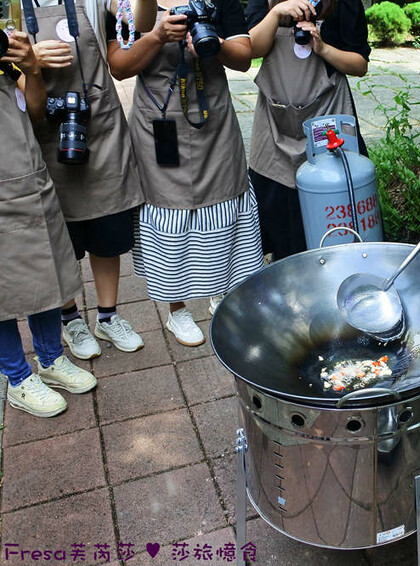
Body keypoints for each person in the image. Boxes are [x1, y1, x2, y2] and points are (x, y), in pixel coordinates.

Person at [106, 0, 264, 346]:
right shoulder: (129, 4)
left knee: (224, 204)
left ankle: (221, 292)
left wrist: (216, 45)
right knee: (168, 211)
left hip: (214, 119)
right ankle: (176, 308)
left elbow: (244, 58)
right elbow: (119, 67)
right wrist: (158, 36)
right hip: (158, 124)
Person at [26, 0, 150, 360]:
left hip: (100, 130)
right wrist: (28, 60)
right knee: (59, 237)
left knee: (107, 231)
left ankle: (108, 317)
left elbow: (136, 18)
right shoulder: (15, 7)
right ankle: (70, 319)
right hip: (45, 132)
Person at [1, 31, 96, 418]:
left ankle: (50, 358)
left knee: (44, 271)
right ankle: (17, 378)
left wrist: (30, 66)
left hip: (26, 177)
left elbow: (37, 110)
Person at [246, 0, 370, 260]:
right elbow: (250, 49)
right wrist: (277, 12)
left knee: (336, 217)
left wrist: (323, 48)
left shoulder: (343, 4)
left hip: (328, 118)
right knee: (281, 227)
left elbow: (359, 65)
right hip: (274, 126)